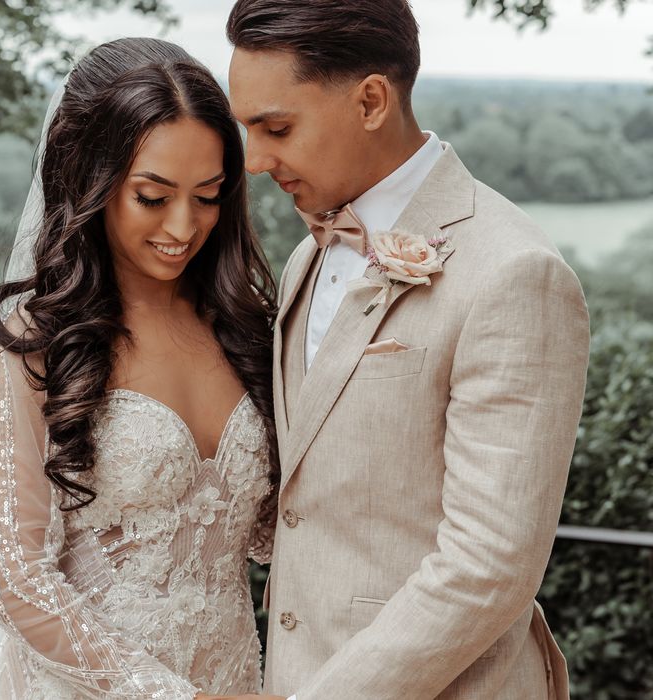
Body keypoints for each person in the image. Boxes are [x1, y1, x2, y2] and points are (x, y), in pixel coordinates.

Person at [226, 1, 591, 698]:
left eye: (276, 127)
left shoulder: (516, 273)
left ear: (370, 100)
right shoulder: (309, 255)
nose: (256, 160)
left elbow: (490, 563)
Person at [0, 37, 283, 699]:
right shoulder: (40, 341)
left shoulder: (248, 325)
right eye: (152, 195)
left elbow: (282, 531)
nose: (183, 226)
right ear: (92, 180)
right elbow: (18, 580)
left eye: (208, 195)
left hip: (236, 679)